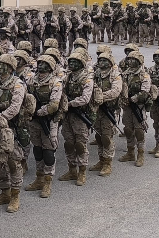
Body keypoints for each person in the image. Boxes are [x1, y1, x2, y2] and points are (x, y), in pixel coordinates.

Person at [0, 54, 27, 210]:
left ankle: (15, 195)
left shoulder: (17, 84)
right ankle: (5, 192)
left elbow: (14, 108)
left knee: (13, 161)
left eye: (2, 64)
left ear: (11, 67)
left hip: (11, 127)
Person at [25, 54, 63, 197]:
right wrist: (30, 112)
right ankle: (39, 178)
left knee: (48, 151)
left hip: (48, 120)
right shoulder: (31, 80)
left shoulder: (56, 82)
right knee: (38, 149)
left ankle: (47, 182)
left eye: (44, 64)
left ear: (51, 67)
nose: (40, 66)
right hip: (34, 121)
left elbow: (54, 105)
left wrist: (38, 112)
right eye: (39, 63)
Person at [59, 49, 94, 185]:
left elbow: (85, 99)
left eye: (75, 62)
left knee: (80, 144)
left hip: (80, 115)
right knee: (69, 143)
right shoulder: (67, 77)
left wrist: (69, 103)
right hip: (68, 115)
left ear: (81, 64)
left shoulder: (87, 79)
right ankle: (72, 169)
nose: (72, 63)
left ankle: (82, 172)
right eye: (70, 61)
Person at [90, 50, 123, 177]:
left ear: (110, 63)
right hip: (97, 109)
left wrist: (100, 97)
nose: (101, 62)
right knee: (98, 136)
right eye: (100, 60)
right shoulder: (95, 73)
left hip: (109, 109)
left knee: (107, 137)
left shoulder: (115, 75)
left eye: (105, 60)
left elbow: (116, 91)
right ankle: (101, 159)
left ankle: (107, 163)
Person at [119, 49, 151, 166]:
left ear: (139, 61)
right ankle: (130, 152)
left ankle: (141, 154)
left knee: (139, 130)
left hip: (138, 106)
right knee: (128, 129)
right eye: (129, 59)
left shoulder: (144, 75)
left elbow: (145, 91)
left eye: (134, 59)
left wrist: (134, 98)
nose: (131, 61)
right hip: (127, 106)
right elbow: (120, 87)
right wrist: (123, 98)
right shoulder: (125, 73)